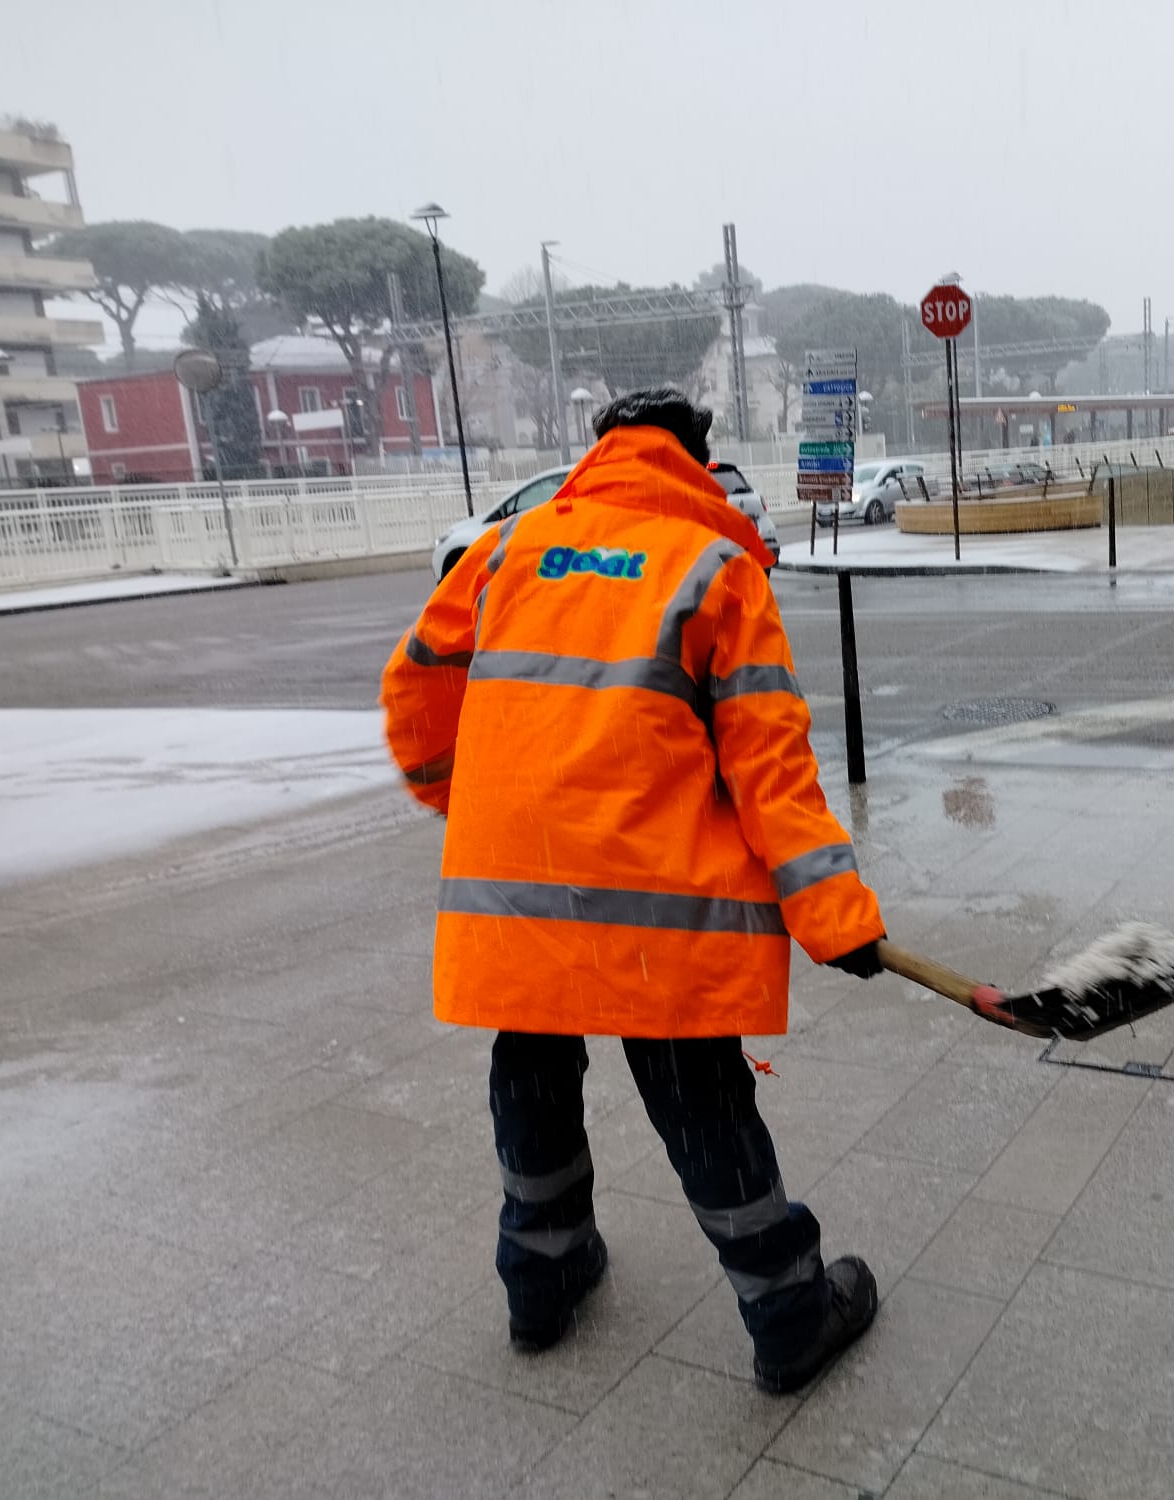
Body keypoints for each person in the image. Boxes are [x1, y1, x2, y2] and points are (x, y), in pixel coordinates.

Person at [380, 388, 886, 1394]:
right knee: (701, 1106)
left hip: (516, 894)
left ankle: (542, 1282)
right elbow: (771, 773)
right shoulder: (716, 570)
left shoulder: (502, 552)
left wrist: (466, 805)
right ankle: (787, 1315)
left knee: (528, 1073)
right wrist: (837, 920)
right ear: (696, 460)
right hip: (661, 911)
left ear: (598, 451)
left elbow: (414, 693)